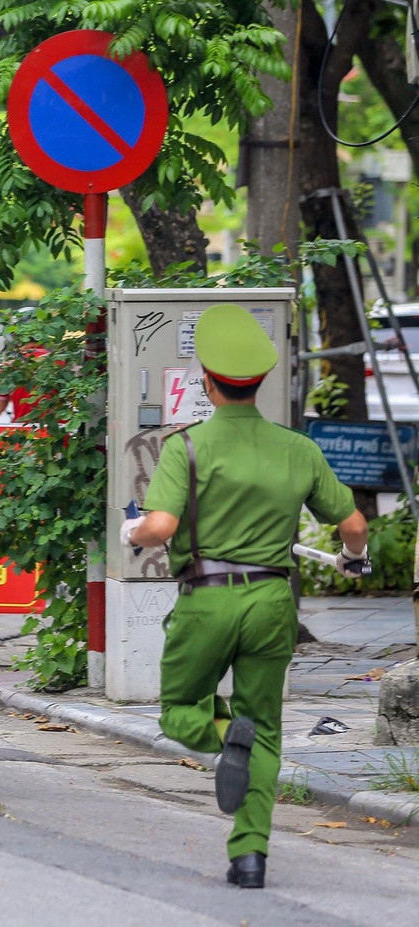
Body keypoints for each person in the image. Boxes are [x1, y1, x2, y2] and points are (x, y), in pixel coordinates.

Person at [124, 303, 369, 890]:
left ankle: (222, 737)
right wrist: (353, 561)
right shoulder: (298, 449)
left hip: (206, 600)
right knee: (265, 727)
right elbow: (354, 525)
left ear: (208, 382)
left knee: (180, 712)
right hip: (271, 601)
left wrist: (135, 531)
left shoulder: (186, 448)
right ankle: (251, 856)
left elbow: (157, 527)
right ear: (258, 383)